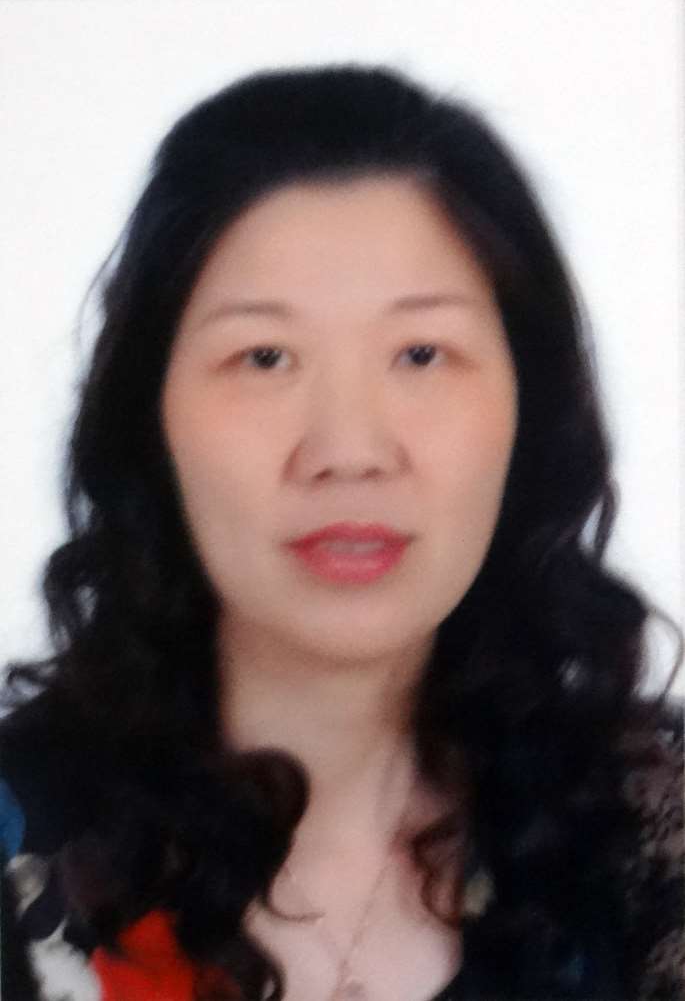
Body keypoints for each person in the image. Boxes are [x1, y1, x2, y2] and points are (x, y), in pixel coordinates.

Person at [0, 63, 682, 1001]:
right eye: (264, 357)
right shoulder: (19, 846)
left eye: (421, 354)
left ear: (530, 410)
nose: (348, 451)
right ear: (147, 418)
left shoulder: (650, 839)